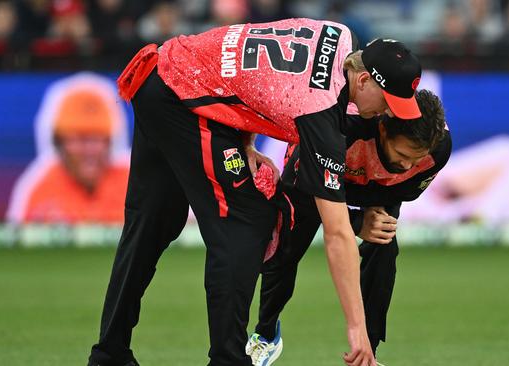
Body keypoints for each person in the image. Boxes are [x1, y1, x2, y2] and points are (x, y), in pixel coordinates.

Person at [87, 18, 422, 366]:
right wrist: (358, 331)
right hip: (184, 98)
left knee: (151, 224)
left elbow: (254, 61)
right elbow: (337, 233)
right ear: (364, 80)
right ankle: (228, 360)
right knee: (246, 222)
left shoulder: (339, 33)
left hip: (165, 75)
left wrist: (243, 139)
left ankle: (109, 353)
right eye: (388, 101)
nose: (386, 113)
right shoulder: (322, 110)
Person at [245, 89, 451, 366]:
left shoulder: (438, 150)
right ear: (382, 130)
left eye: (416, 160)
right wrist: (354, 222)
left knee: (384, 245)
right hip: (315, 178)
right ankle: (266, 334)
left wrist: (370, 218)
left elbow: (405, 189)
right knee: (285, 250)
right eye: (402, 154)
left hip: (378, 189)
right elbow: (298, 184)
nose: (406, 165)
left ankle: (368, 354)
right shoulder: (342, 128)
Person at [7, 72, 130, 224]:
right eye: (79, 139)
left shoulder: (135, 181)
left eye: (97, 138)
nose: (89, 150)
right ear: (59, 143)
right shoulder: (38, 188)